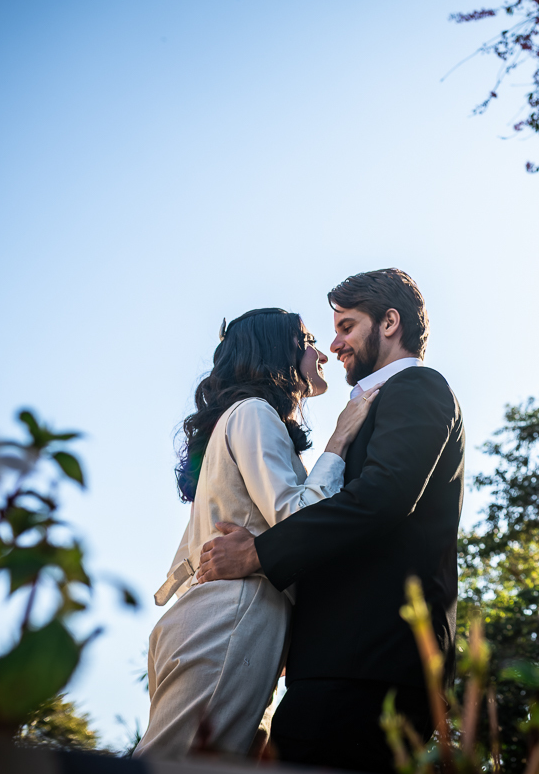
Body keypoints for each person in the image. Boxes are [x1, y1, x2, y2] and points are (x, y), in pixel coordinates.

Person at [197, 269, 465, 773]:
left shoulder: (417, 386)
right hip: (340, 663)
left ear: (390, 323)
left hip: (369, 662)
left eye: (346, 327)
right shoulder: (375, 402)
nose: (335, 344)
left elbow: (381, 499)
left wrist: (258, 553)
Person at [135, 308, 382, 760]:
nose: (322, 353)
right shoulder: (253, 413)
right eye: (308, 341)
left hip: (230, 621)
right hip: (229, 620)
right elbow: (299, 520)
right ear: (276, 350)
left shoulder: (245, 421)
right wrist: (339, 440)